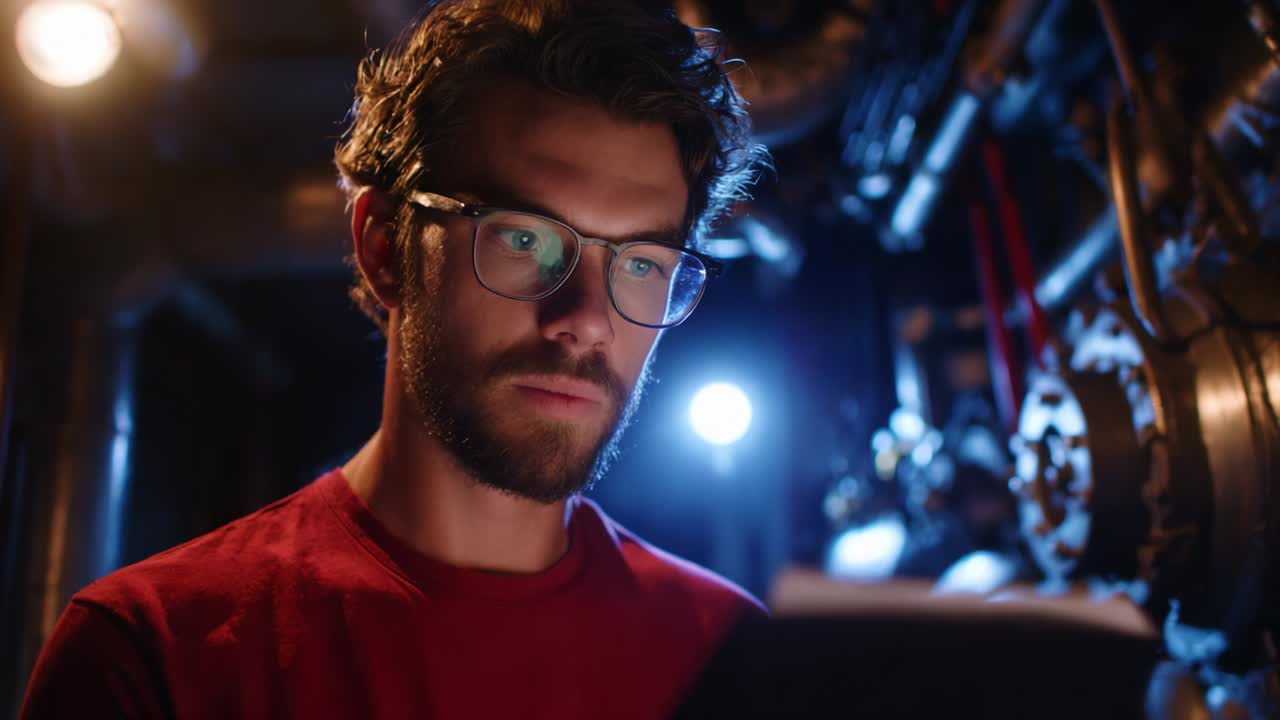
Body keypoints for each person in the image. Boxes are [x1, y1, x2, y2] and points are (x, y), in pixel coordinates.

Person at [20, 1, 767, 718]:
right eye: (523, 239)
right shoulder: (154, 654)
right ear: (384, 247)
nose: (586, 322)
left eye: (641, 264)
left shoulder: (732, 661)